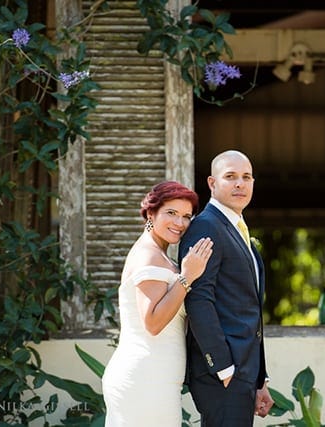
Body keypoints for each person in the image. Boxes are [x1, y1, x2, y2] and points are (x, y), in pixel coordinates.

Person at [102, 181, 213, 427]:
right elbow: (152, 322)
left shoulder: (161, 256)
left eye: (186, 216)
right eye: (171, 213)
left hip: (158, 379)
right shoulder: (147, 255)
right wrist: (187, 277)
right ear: (151, 213)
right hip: (144, 379)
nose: (179, 223)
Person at [179, 150, 274, 427]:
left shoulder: (236, 228)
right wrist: (222, 367)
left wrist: (258, 379)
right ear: (212, 183)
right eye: (230, 177)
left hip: (242, 373)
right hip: (221, 374)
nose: (239, 184)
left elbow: (249, 310)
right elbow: (198, 298)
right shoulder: (206, 227)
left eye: (246, 177)